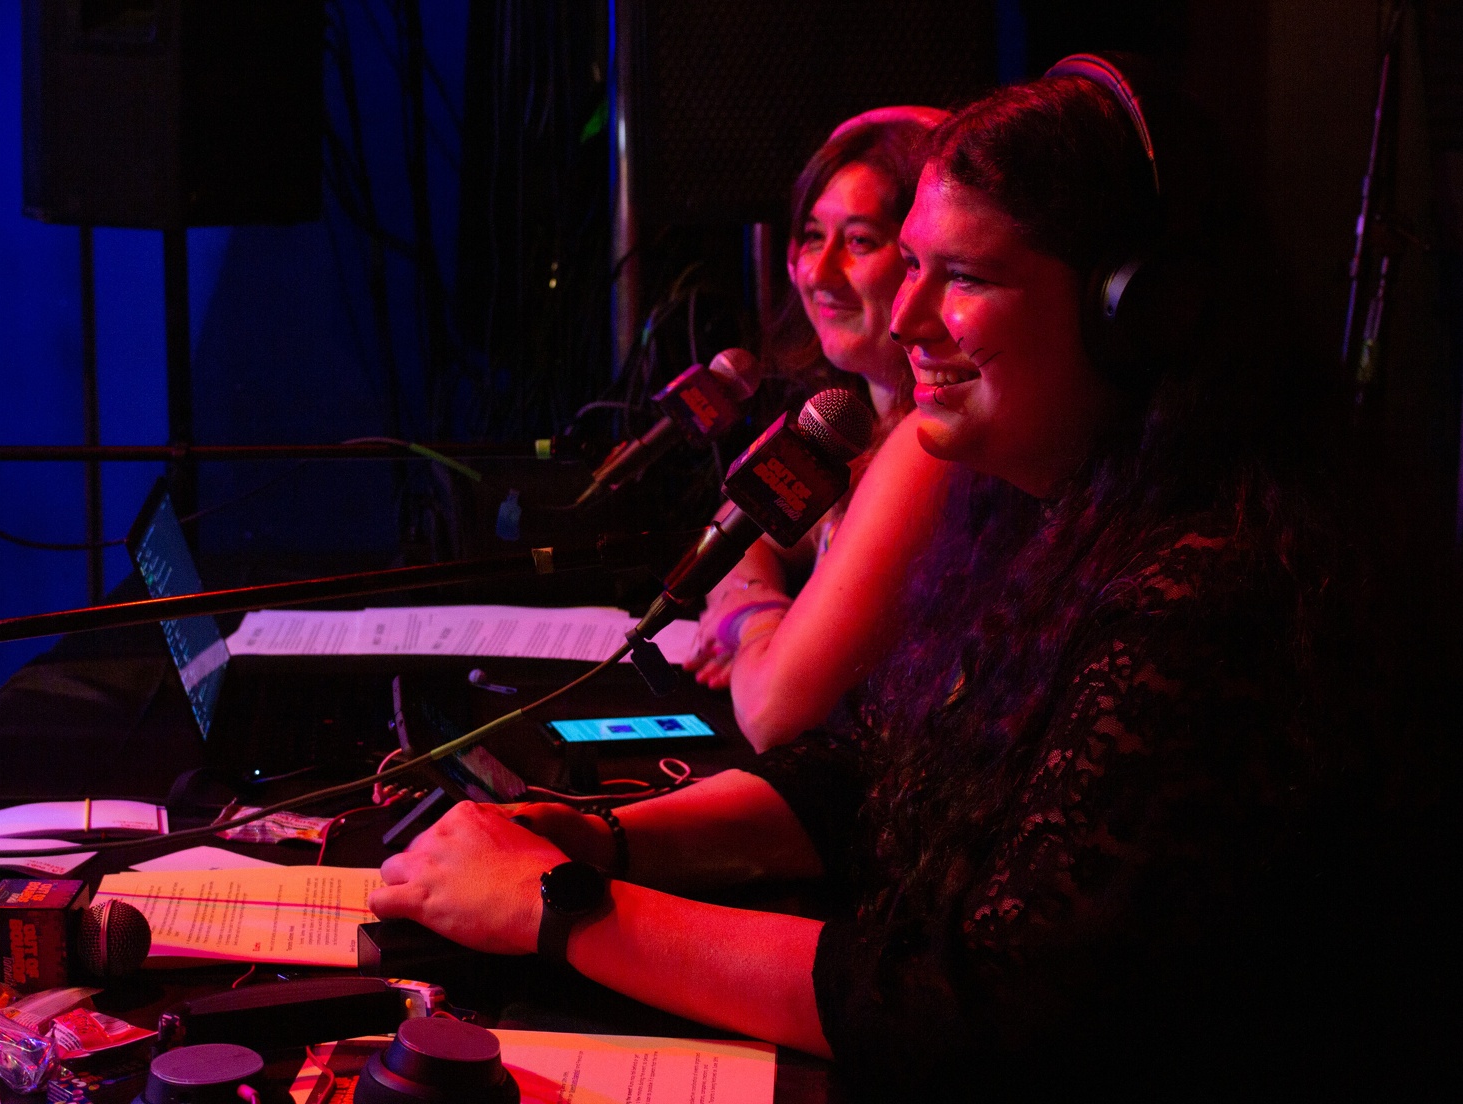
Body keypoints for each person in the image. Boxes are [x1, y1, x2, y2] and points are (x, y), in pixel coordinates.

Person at [371, 64, 1399, 1095]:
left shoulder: (1205, 595)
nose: (906, 320)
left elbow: (967, 1009)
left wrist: (561, 907)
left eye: (961, 278)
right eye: (905, 263)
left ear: (1132, 314)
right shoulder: (1034, 514)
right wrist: (606, 840)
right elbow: (871, 775)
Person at [683, 108, 954, 751]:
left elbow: (776, 713)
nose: (817, 272)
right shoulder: (849, 417)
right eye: (810, 236)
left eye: (859, 241)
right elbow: (735, 536)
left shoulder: (931, 444)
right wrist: (759, 617)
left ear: (928, 258)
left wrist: (752, 642)